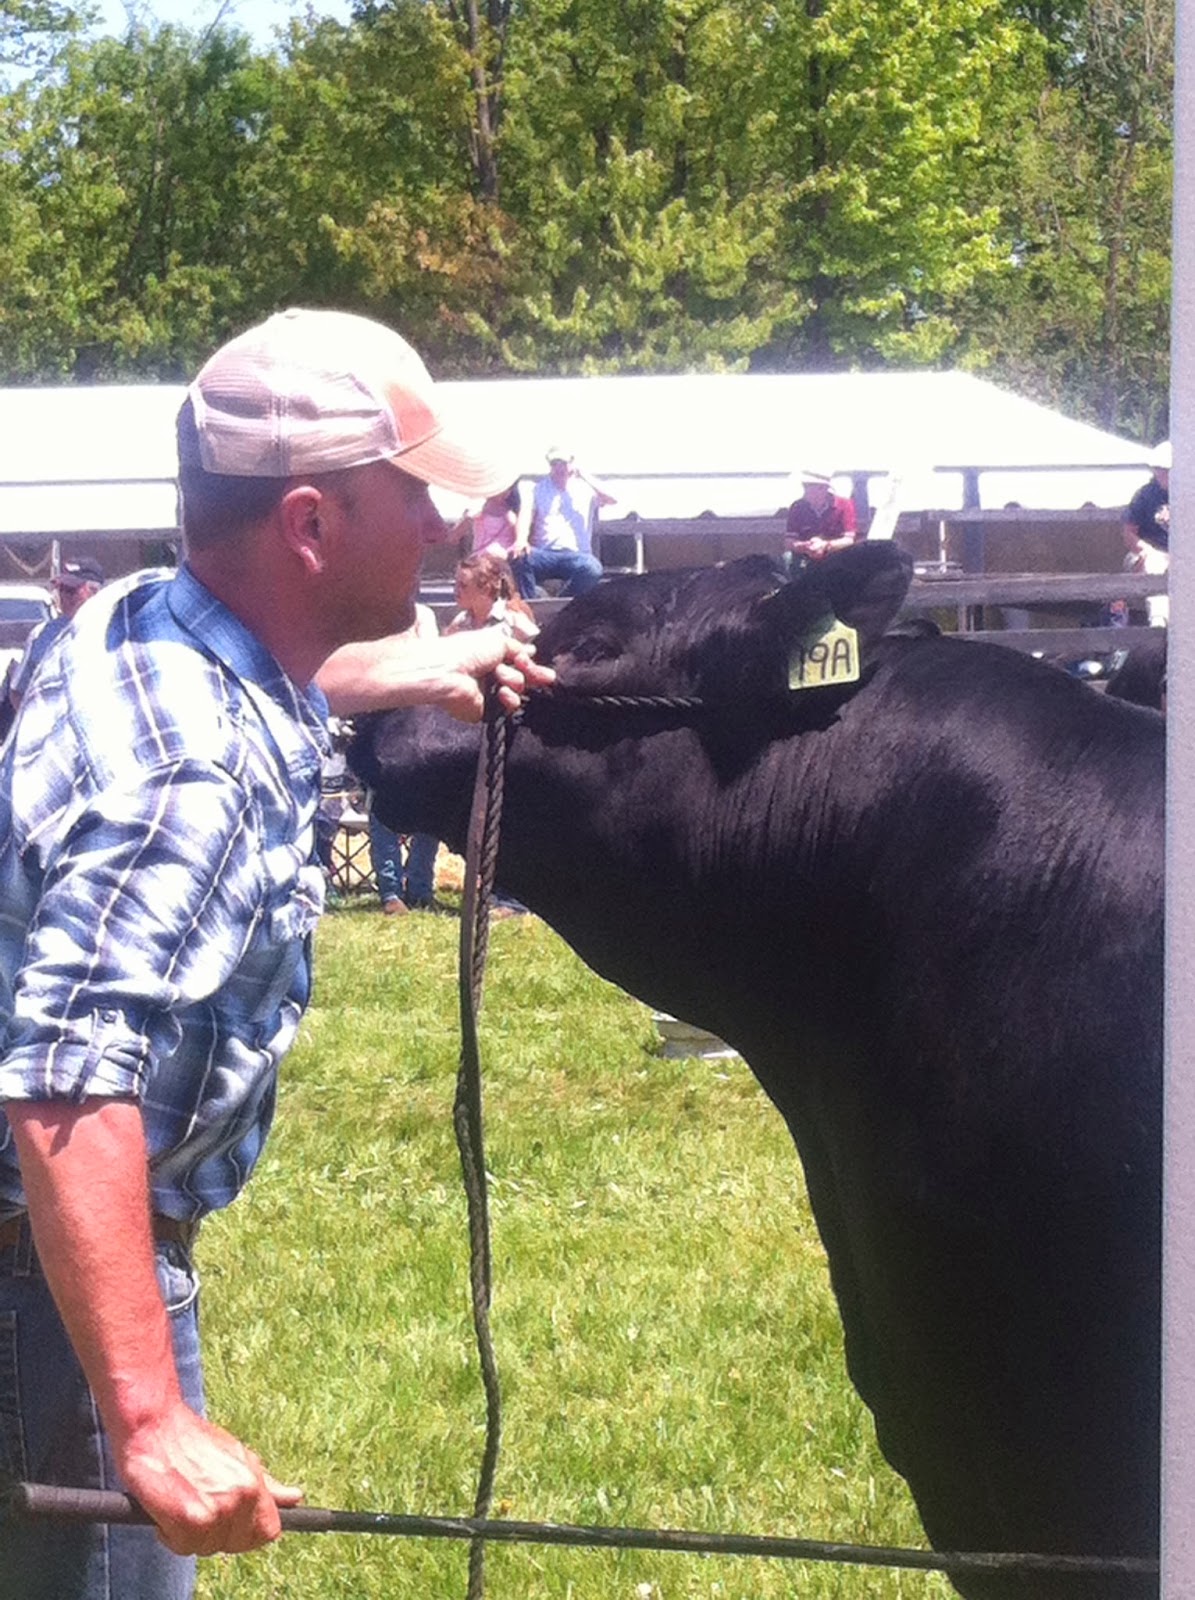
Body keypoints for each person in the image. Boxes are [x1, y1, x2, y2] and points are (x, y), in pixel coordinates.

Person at [0, 306, 551, 1600]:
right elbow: (66, 1078)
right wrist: (148, 1420)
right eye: (412, 495)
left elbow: (272, 673)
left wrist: (426, 667)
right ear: (308, 525)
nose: (439, 526)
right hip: (49, 1301)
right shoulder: (187, 776)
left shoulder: (140, 619)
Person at [367, 602, 445, 915]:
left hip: (423, 726)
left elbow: (429, 659)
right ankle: (390, 893)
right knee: (382, 814)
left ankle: (420, 889)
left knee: (429, 815)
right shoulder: (372, 617)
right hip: (382, 726)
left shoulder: (423, 615)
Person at [511, 445, 613, 599]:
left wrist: (584, 475)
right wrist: (521, 540)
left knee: (593, 568)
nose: (559, 468)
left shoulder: (586, 489)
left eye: (563, 463)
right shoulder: (537, 489)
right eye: (554, 464)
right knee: (519, 558)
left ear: (571, 463)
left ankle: (563, 603)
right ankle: (532, 605)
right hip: (545, 554)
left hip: (577, 555)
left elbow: (612, 499)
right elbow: (525, 514)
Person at [7, 556, 104, 713]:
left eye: (71, 590)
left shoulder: (116, 632)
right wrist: (35, 721)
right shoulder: (41, 634)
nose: (64, 596)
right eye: (61, 589)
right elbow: (18, 691)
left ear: (94, 592)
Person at [447, 550, 539, 645]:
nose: (456, 590)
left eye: (463, 585)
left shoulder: (512, 619)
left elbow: (535, 647)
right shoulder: (461, 621)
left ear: (485, 589)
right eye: (455, 584)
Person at [1123, 441, 1170, 626]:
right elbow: (1129, 533)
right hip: (1147, 553)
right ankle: (1159, 621)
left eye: (1166, 469)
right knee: (1155, 565)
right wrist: (1148, 551)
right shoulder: (1144, 495)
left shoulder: (1189, 494)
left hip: (1183, 557)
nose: (1161, 473)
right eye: (1158, 469)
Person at [785, 470, 859, 564]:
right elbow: (789, 541)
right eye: (805, 486)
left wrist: (826, 545)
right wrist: (805, 546)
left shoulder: (844, 504)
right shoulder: (797, 506)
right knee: (787, 558)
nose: (806, 490)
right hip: (806, 556)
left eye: (810, 486)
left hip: (835, 555)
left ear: (824, 488)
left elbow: (849, 540)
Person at [471, 482, 522, 561]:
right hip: (495, 560)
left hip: (489, 559)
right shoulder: (511, 516)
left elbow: (455, 537)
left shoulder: (476, 513)